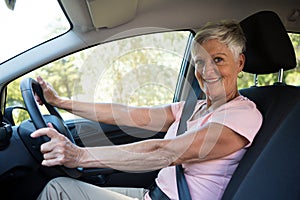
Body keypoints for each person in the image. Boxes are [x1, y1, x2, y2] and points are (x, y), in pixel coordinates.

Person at [31, 20, 262, 200]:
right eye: (200, 62)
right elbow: (127, 114)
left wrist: (79, 155)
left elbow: (165, 152)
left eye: (218, 59)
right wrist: (61, 101)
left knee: (57, 191)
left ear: (239, 63)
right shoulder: (193, 108)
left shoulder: (242, 115)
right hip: (153, 193)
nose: (207, 70)